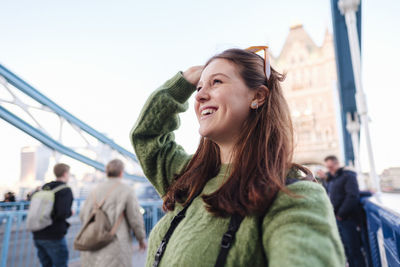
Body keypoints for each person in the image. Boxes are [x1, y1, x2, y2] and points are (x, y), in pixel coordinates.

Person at [130, 47, 345, 267]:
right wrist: (184, 82)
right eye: (199, 87)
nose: (200, 95)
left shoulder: (292, 197)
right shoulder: (189, 177)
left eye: (217, 82)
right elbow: (147, 137)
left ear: (258, 96)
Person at [79, 159, 147, 267]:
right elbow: (135, 217)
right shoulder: (126, 190)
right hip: (116, 245)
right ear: (121, 173)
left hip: (93, 244)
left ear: (107, 172)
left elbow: (83, 215)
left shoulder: (95, 190)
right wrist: (141, 238)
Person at [318, 155, 366, 267]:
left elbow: (352, 196)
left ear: (337, 164)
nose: (329, 169)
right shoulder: (331, 179)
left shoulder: (348, 176)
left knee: (354, 250)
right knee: (346, 251)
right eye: (327, 167)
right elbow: (329, 195)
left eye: (331, 166)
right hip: (336, 219)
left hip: (347, 219)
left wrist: (340, 214)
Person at [33, 163, 74, 267]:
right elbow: (62, 213)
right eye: (69, 173)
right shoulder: (65, 190)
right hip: (54, 235)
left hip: (38, 234)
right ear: (65, 174)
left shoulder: (45, 187)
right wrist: (70, 212)